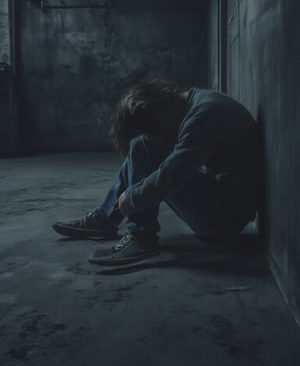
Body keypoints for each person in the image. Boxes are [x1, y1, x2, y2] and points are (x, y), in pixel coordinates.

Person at [52, 81, 262, 266]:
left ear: (160, 109)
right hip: (222, 201)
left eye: (157, 127)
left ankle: (141, 237)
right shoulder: (195, 101)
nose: (161, 134)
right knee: (144, 145)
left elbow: (172, 175)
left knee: (144, 146)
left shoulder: (205, 116)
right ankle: (105, 220)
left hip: (224, 219)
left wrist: (133, 198)